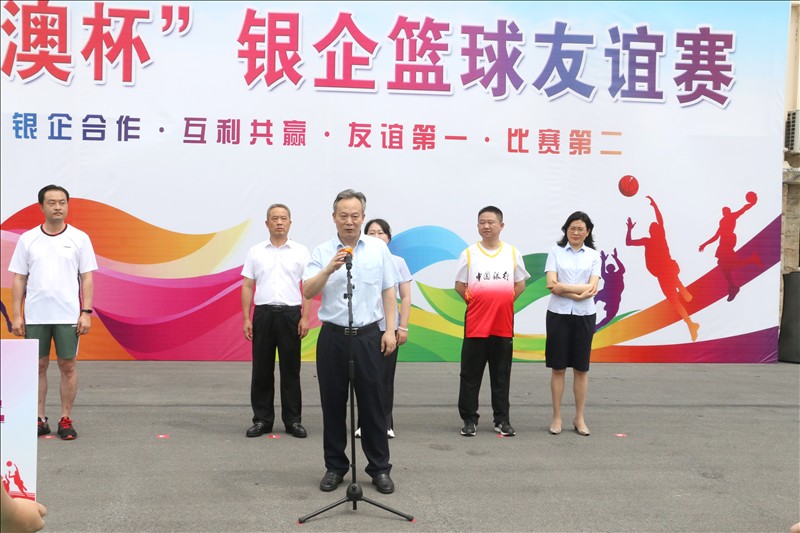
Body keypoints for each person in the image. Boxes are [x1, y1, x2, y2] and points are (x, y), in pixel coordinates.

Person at [303, 189, 400, 495]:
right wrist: (329, 268)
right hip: (333, 337)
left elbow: (388, 290)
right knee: (333, 404)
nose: (349, 221)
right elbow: (308, 291)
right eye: (343, 215)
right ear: (334, 217)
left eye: (355, 216)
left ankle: (379, 468)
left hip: (369, 336)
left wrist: (390, 330)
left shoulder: (377, 249)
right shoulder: (321, 252)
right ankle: (335, 467)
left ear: (363, 217)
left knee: (373, 404)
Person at [9, 185, 98, 441]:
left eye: (62, 202)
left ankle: (65, 418)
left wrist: (86, 312)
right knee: (37, 366)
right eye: (51, 202)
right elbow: (19, 278)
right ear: (41, 207)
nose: (58, 207)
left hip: (68, 316)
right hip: (36, 315)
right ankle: (39, 418)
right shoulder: (28, 239)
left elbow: (87, 277)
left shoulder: (80, 238)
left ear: (67, 205)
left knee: (67, 365)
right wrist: (17, 315)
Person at [454, 206, 530, 437]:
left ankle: (502, 420)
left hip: (502, 325)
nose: (486, 226)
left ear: (501, 225)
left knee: (501, 375)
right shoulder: (469, 253)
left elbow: (520, 284)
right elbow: (459, 285)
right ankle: (469, 420)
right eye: (482, 222)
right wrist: (478, 302)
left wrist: (503, 301)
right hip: (476, 325)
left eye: (491, 222)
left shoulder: (512, 253)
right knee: (470, 375)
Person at [241, 204, 312, 439]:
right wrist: (246, 317)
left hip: (291, 315)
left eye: (283, 218)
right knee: (261, 369)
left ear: (290, 222)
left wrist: (305, 317)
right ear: (267, 223)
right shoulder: (256, 252)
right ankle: (262, 419)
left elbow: (308, 287)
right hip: (263, 314)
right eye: (274, 218)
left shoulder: (301, 251)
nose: (279, 222)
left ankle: (293, 420)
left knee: (291, 369)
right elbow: (248, 285)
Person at [545, 211, 601, 437]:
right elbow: (552, 285)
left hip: (584, 315)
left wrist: (564, 288)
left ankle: (579, 418)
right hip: (558, 314)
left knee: (581, 368)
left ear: (587, 232)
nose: (575, 232)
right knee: (558, 368)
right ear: (566, 230)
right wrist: (577, 292)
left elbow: (593, 287)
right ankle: (557, 416)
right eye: (572, 228)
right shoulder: (555, 252)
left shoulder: (594, 256)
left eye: (580, 229)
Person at [355, 219, 412, 439]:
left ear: (389, 237)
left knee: (385, 377)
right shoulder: (358, 259)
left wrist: (402, 327)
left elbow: (405, 297)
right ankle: (363, 423)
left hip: (388, 328)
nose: (377, 237)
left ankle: (386, 423)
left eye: (381, 233)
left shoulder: (398, 262)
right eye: (371, 233)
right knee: (364, 377)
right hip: (364, 328)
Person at [626, 195, 699, 341]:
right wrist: (629, 229)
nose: (651, 229)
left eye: (652, 228)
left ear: (655, 231)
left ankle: (684, 293)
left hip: (667, 270)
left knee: (671, 277)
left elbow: (660, 221)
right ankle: (690, 322)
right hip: (664, 273)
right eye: (651, 228)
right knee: (674, 300)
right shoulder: (650, 240)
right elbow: (629, 242)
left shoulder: (657, 238)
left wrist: (654, 206)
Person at [698, 192, 759, 302]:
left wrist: (752, 203)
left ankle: (733, 286)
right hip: (723, 242)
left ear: (729, 211)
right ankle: (750, 261)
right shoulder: (722, 221)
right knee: (727, 265)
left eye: (726, 211)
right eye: (723, 212)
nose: (724, 213)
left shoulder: (732, 216)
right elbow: (716, 236)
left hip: (728, 240)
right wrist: (705, 244)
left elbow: (743, 209)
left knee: (724, 264)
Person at [594, 248, 626, 330]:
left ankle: (596, 327)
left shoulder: (617, 274)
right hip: (607, 294)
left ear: (614, 268)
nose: (610, 269)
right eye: (609, 268)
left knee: (610, 316)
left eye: (611, 267)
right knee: (595, 297)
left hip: (614, 297)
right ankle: (588, 313)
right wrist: (604, 260)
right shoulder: (608, 276)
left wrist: (615, 258)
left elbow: (622, 268)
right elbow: (602, 272)